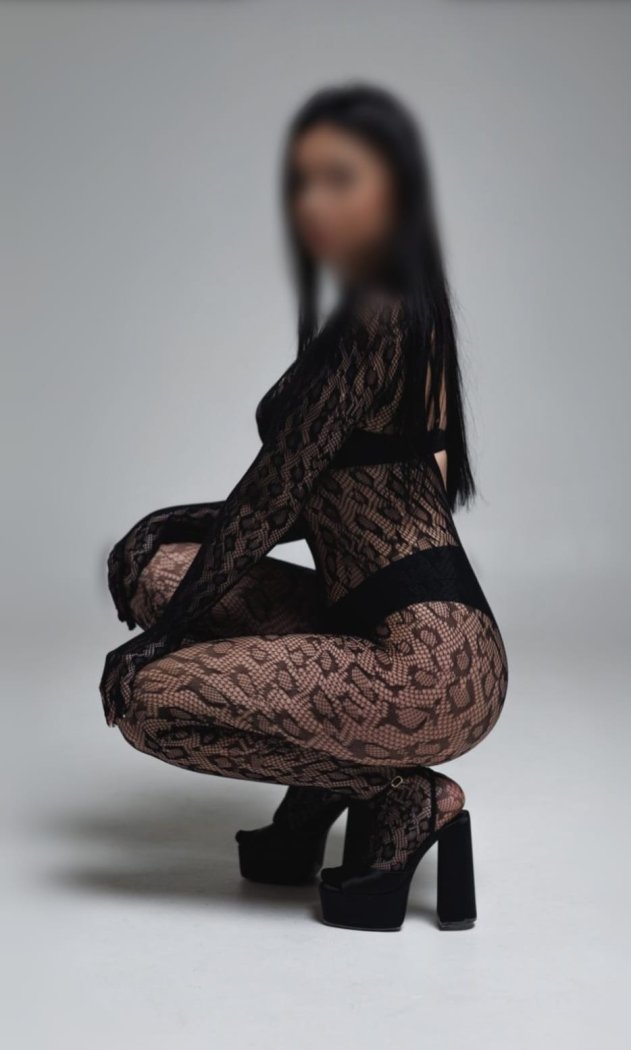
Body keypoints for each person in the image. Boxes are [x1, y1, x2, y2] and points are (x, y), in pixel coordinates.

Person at [101, 84, 508, 931]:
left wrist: (162, 637)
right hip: (376, 626)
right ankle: (329, 787)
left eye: (339, 177)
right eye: (302, 181)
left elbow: (273, 493)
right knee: (157, 572)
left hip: (429, 667)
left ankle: (396, 796)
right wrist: (162, 532)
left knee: (146, 699)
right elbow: (324, 498)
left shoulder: (383, 313)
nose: (312, 202)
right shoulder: (393, 310)